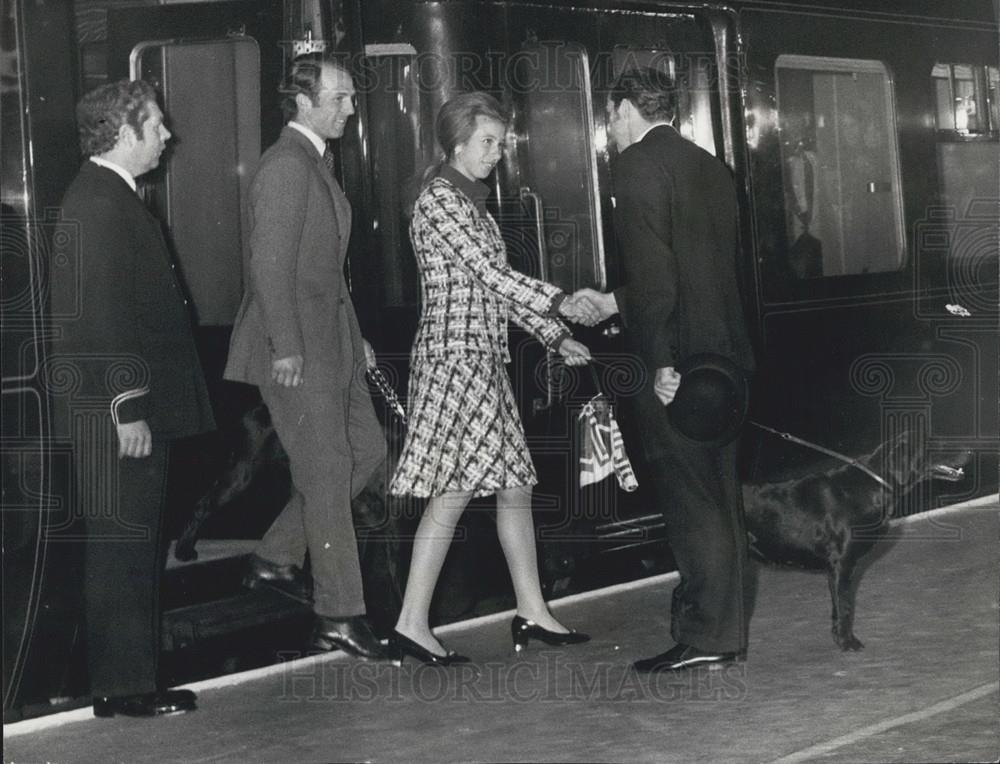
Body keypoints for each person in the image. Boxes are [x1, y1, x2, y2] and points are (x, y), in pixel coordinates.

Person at [388, 92, 597, 665]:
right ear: (457, 143)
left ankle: (532, 610)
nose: (496, 154)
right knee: (453, 491)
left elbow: (493, 291)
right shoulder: (440, 201)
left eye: (501, 144)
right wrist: (562, 303)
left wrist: (556, 334)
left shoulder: (470, 203)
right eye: (487, 142)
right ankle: (411, 623)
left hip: (481, 360)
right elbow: (491, 275)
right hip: (455, 363)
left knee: (514, 485)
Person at [578, 68, 756, 671]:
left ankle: (705, 639)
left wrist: (658, 363)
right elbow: (698, 269)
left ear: (626, 107)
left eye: (612, 115)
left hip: (677, 363)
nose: (612, 128)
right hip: (726, 362)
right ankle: (723, 632)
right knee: (721, 495)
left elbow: (658, 281)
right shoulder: (711, 167)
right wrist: (616, 301)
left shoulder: (636, 166)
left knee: (690, 500)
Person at [47, 79, 215, 716]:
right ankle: (124, 687)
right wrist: (127, 408)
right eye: (157, 125)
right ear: (124, 133)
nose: (167, 135)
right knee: (123, 547)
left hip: (126, 409)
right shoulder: (100, 203)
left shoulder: (105, 197)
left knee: (133, 543)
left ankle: (131, 680)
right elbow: (99, 319)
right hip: (120, 414)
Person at [224, 56, 389, 660]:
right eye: (340, 98)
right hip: (296, 349)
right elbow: (269, 268)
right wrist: (286, 349)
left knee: (365, 451)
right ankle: (340, 614)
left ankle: (274, 556)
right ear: (302, 101)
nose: (350, 108)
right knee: (325, 473)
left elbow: (321, 270)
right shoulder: (286, 168)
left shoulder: (312, 162)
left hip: (331, 341)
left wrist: (354, 334)